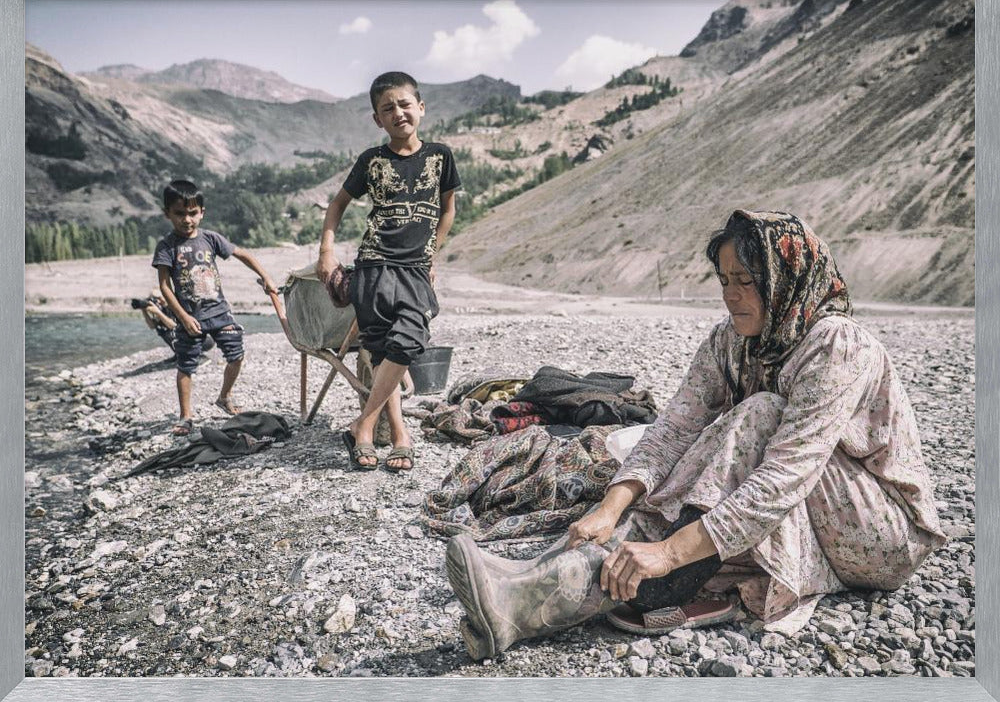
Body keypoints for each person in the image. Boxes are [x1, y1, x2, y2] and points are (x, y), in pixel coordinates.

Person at [445, 209, 946, 660]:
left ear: (786, 280)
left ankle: (665, 584)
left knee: (757, 417)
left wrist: (668, 552)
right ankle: (524, 598)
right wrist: (610, 507)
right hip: (806, 504)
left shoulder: (836, 344)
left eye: (746, 280)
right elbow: (674, 428)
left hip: (879, 535)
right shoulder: (732, 341)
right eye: (724, 279)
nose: (730, 294)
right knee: (671, 485)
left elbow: (786, 476)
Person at [316, 71, 460, 471]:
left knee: (410, 339)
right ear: (377, 119)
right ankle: (399, 434)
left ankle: (362, 424)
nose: (398, 113)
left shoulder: (440, 156)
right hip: (375, 266)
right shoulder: (372, 161)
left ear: (421, 108)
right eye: (387, 108)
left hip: (414, 269)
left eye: (404, 104)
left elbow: (447, 210)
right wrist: (327, 251)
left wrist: (432, 255)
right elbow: (337, 206)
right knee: (382, 352)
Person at [153, 179, 278, 436]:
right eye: (179, 214)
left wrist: (265, 276)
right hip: (191, 319)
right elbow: (165, 287)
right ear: (167, 214)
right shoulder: (166, 246)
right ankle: (186, 416)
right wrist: (183, 317)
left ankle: (224, 396)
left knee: (236, 355)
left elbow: (242, 253)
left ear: (202, 212)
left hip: (219, 312)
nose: (187, 220)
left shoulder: (210, 238)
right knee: (186, 366)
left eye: (192, 213)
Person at [132, 292, 215, 359]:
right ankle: (179, 355)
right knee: (166, 333)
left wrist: (158, 312)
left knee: (176, 332)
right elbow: (152, 326)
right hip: (181, 344)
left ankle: (193, 354)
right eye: (155, 299)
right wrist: (144, 310)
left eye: (159, 298)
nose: (158, 301)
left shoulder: (174, 308)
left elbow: (173, 326)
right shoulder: (159, 310)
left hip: (204, 341)